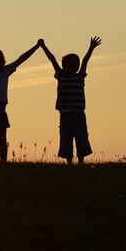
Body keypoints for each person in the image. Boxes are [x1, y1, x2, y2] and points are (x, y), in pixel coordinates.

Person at [39, 36, 102, 164]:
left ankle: (81, 160)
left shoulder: (80, 76)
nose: (67, 67)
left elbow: (85, 61)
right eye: (65, 65)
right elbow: (52, 60)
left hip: (78, 114)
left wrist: (91, 48)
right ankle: (69, 161)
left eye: (71, 65)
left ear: (76, 66)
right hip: (65, 114)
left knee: (81, 137)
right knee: (66, 138)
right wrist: (43, 47)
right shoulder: (60, 76)